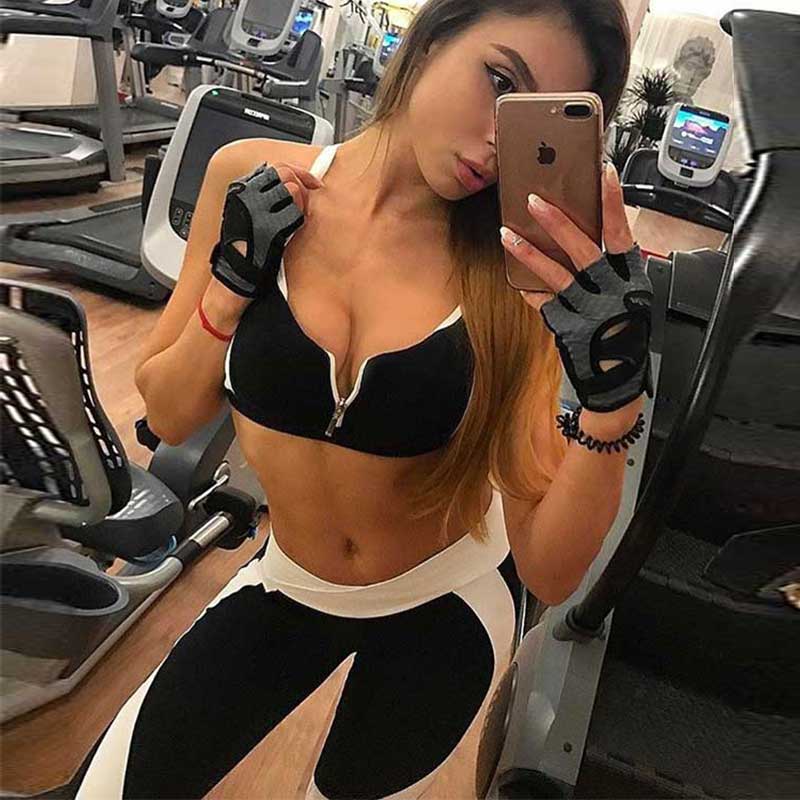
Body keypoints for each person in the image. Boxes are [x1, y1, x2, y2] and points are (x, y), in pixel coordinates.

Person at [76, 1, 650, 797]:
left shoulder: (517, 272)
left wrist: (612, 405)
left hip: (446, 604)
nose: (498, 138)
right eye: (499, 81)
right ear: (433, 36)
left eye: (530, 116)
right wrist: (232, 287)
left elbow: (549, 573)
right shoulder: (251, 174)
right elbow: (168, 415)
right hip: (291, 580)